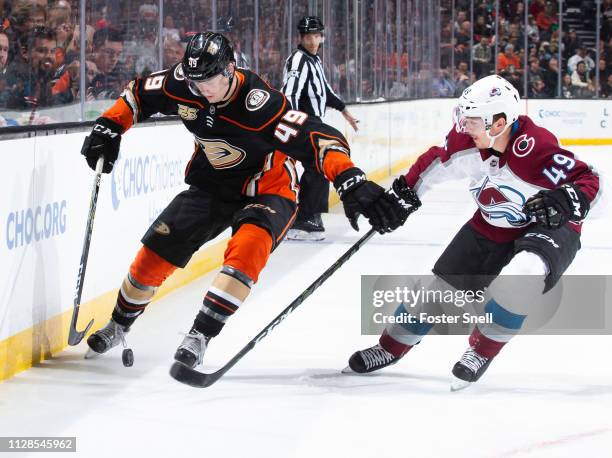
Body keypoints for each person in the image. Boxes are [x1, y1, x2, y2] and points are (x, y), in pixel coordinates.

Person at [80, 32, 415, 380]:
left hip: (268, 189)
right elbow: (137, 95)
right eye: (196, 82)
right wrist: (110, 125)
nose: (203, 89)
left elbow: (318, 137)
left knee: (247, 250)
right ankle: (118, 325)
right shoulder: (183, 83)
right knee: (154, 254)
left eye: (210, 80)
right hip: (212, 185)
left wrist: (350, 179)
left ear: (230, 69)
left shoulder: (259, 103)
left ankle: (200, 334)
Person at [345, 74, 600, 390]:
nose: (464, 127)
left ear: (499, 123)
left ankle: (482, 349)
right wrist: (402, 197)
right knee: (436, 291)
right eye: (464, 119)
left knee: (523, 275)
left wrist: (567, 199)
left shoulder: (534, 148)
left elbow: (592, 183)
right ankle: (390, 347)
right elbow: (434, 162)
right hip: (493, 221)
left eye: (473, 121)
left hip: (549, 225)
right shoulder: (468, 143)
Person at [282, 16, 359, 241]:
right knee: (318, 165)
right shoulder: (298, 60)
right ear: (301, 37)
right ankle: (307, 218)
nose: (313, 40)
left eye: (316, 36)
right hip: (304, 122)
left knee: (317, 166)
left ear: (322, 37)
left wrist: (344, 110)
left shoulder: (313, 60)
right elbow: (291, 93)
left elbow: (324, 90)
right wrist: (294, 124)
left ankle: (308, 217)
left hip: (314, 121)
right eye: (308, 36)